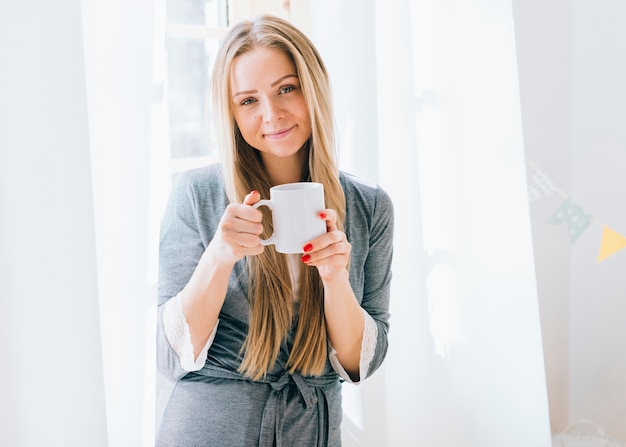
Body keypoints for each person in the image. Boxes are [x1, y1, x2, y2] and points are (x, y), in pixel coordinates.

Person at [156, 14, 394, 447]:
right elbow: (172, 357)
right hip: (211, 429)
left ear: (313, 88)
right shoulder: (197, 195)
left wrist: (335, 277)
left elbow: (362, 364)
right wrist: (219, 257)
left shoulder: (369, 207)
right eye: (248, 100)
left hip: (310, 432)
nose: (272, 113)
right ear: (231, 112)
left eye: (287, 88)